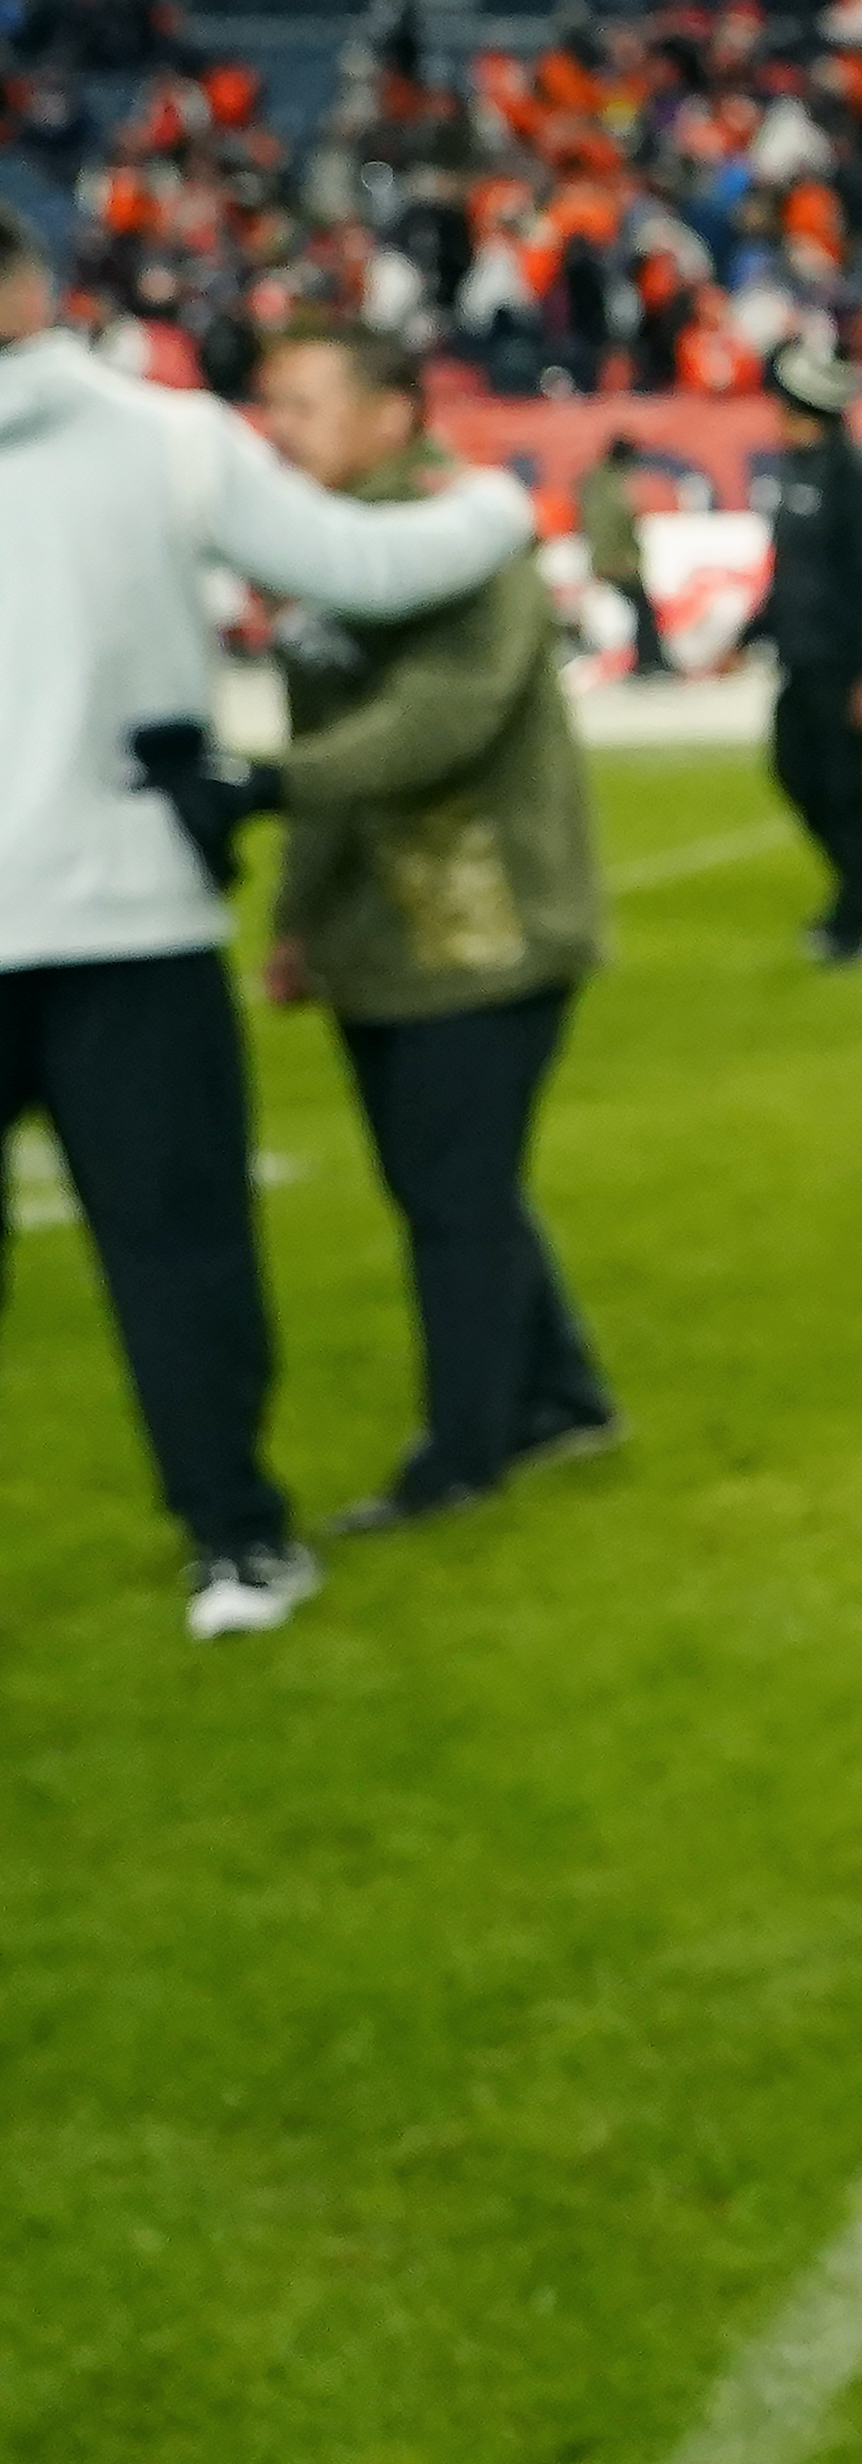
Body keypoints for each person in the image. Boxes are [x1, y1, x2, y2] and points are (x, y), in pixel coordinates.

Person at [0, 197, 533, 1635]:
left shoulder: (163, 434)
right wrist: (495, 500)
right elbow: (369, 567)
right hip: (127, 912)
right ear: (37, 284)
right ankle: (234, 1540)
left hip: (102, 907)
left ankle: (239, 1535)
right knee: (179, 1253)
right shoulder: (166, 436)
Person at [243, 321, 620, 1537]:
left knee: (453, 1197)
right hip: (384, 936)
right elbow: (338, 769)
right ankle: (561, 1395)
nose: (279, 431)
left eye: (302, 403)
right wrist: (299, 918)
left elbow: (442, 717)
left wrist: (267, 781)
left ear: (391, 414)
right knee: (454, 1185)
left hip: (489, 927)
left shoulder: (461, 535)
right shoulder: (326, 553)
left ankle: (462, 1453)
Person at [749, 341, 862, 967]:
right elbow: (791, 572)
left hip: (843, 661)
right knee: (792, 770)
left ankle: (854, 922)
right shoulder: (796, 473)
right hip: (801, 654)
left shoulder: (856, 480)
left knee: (843, 786)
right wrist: (755, 632)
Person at [577, 431, 678, 679]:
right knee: (643, 611)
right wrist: (617, 561)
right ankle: (650, 661)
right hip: (620, 562)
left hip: (614, 560)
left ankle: (649, 660)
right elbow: (613, 526)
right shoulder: (609, 485)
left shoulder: (597, 481)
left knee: (640, 611)